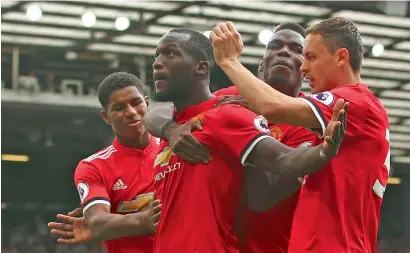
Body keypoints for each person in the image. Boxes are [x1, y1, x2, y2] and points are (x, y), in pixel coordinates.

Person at [143, 28, 346, 253]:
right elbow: (157, 113)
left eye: (297, 50)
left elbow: (263, 194)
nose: (284, 53)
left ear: (305, 70)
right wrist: (170, 130)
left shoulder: (306, 123)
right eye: (275, 46)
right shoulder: (226, 101)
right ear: (261, 64)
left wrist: (322, 151)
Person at [210, 18, 390, 253]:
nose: (304, 68)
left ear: (341, 57)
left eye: (311, 57)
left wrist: (229, 61)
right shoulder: (339, 114)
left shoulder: (354, 101)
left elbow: (272, 106)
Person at [48, 72, 161, 253]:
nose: (131, 112)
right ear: (106, 116)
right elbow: (98, 223)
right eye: (118, 108)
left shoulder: (174, 148)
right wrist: (144, 220)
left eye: (136, 102)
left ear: (147, 103)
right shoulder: (93, 167)